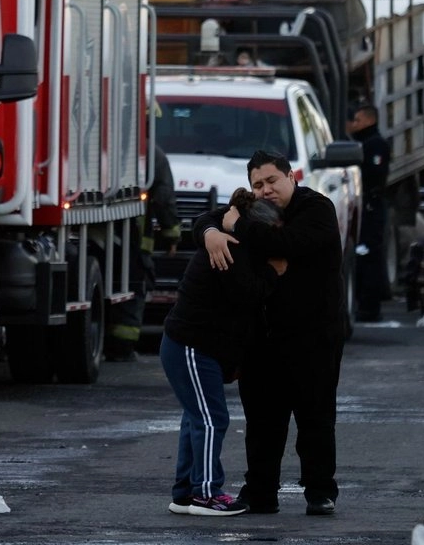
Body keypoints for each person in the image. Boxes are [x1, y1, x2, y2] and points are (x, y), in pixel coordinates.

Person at [199, 150, 345, 517]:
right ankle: (261, 493)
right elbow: (204, 220)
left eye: (271, 181)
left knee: (315, 418)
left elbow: (286, 244)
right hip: (263, 337)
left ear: (291, 176)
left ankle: (320, 492)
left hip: (314, 336)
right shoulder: (250, 212)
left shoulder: (318, 209)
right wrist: (212, 231)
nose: (265, 190)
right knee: (263, 422)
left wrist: (236, 225)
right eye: (257, 184)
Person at [162, 188, 284, 516]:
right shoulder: (231, 251)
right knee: (212, 419)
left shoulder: (229, 241)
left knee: (197, 417)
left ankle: (186, 492)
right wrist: (275, 271)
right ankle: (206, 493)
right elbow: (248, 294)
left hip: (191, 346)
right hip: (191, 346)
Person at [107, 145, 181, 362]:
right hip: (133, 238)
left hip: (103, 233)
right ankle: (121, 348)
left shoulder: (102, 148)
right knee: (132, 286)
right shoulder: (151, 154)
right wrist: (171, 235)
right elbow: (164, 197)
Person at [347, 103, 392, 321]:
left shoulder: (375, 145)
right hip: (365, 206)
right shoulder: (362, 143)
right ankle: (364, 303)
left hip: (371, 207)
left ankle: (370, 307)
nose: (353, 124)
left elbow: (373, 176)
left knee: (369, 254)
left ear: (368, 120)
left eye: (357, 120)